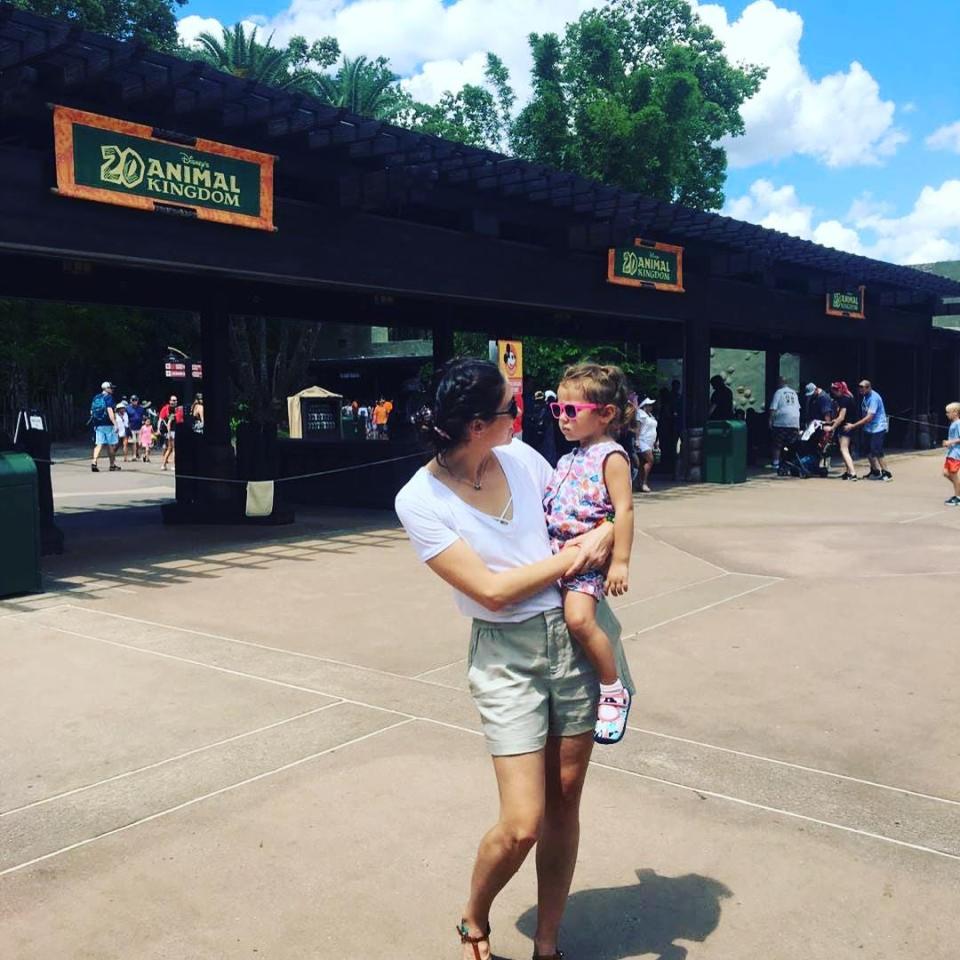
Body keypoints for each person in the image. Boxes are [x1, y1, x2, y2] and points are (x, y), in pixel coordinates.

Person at [394, 358, 632, 960]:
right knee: (524, 821)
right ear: (477, 424)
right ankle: (475, 915)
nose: (520, 418)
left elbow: (586, 505)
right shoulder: (419, 499)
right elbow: (493, 591)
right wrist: (582, 551)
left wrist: (612, 531)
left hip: (575, 636)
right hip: (506, 657)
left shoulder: (524, 459)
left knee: (566, 798)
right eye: (510, 409)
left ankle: (547, 943)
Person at [545, 363, 635, 745]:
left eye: (571, 412)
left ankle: (613, 689)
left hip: (585, 563)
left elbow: (624, 510)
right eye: (558, 410)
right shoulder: (568, 457)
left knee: (579, 620)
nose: (563, 420)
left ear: (606, 414)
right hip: (553, 556)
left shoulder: (610, 457)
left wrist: (620, 561)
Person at [845, 380, 891, 481]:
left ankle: (886, 472)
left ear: (868, 387)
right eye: (859, 387)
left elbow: (869, 417)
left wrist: (853, 426)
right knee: (867, 450)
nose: (860, 389)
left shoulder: (874, 398)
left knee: (876, 449)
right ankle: (875, 471)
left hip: (878, 427)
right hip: (868, 428)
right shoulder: (865, 397)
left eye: (862, 387)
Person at [826, 381, 859, 480]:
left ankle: (852, 473)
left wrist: (832, 427)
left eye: (836, 389)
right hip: (848, 425)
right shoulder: (850, 397)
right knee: (846, 449)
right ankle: (848, 471)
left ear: (841, 389)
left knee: (843, 449)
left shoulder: (844, 399)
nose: (834, 392)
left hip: (845, 427)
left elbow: (841, 417)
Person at [767, 377, 800, 471]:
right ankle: (791, 462)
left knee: (777, 443)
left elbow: (773, 408)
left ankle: (776, 463)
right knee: (792, 444)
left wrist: (770, 421)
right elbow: (798, 408)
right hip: (794, 421)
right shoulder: (794, 393)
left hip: (781, 421)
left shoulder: (778, 392)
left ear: (779, 383)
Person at [89, 380, 120, 472]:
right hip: (108, 424)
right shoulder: (109, 398)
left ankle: (94, 462)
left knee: (99, 444)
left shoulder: (96, 397)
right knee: (110, 445)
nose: (112, 390)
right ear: (107, 389)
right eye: (111, 388)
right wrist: (115, 423)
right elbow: (110, 411)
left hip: (98, 424)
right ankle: (112, 465)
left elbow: (91, 411)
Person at [635, 396, 659, 493]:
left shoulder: (651, 416)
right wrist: (636, 440)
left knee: (642, 463)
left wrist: (657, 442)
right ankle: (644, 483)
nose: (651, 407)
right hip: (642, 440)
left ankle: (640, 483)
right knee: (650, 460)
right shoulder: (640, 414)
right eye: (649, 405)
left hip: (650, 442)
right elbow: (638, 428)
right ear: (644, 406)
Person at [942, 402, 960, 505]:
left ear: (956, 412)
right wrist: (948, 444)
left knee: (953, 475)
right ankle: (958, 491)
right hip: (951, 452)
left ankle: (957, 497)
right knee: (946, 473)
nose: (947, 414)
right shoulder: (953, 423)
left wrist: (950, 442)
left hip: (956, 453)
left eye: (948, 412)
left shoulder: (958, 423)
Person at [158, 394, 181, 471]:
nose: (174, 402)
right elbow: (168, 423)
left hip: (174, 431)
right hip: (172, 432)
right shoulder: (170, 410)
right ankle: (173, 465)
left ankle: (164, 465)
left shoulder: (178, 409)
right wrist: (169, 433)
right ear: (170, 401)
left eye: (175, 400)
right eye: (173, 400)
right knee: (173, 449)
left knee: (170, 449)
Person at [126, 395, 144, 459]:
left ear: (137, 400)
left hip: (140, 427)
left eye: (135, 400)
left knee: (139, 442)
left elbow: (143, 416)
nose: (134, 401)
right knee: (133, 442)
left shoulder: (141, 408)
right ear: (130, 400)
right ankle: (134, 455)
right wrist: (128, 426)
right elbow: (126, 417)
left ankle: (137, 452)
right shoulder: (127, 408)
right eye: (133, 400)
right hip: (131, 427)